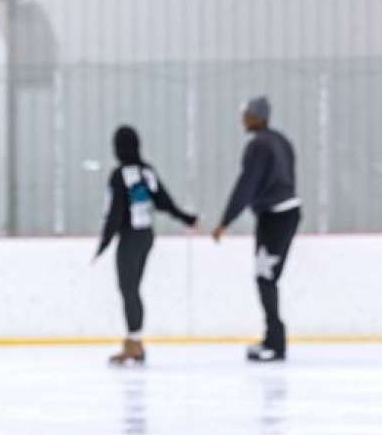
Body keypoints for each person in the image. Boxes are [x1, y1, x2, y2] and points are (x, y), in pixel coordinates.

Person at [94, 125, 197, 365]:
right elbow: (163, 201)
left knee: (128, 289)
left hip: (130, 236)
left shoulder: (119, 175)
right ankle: (134, 341)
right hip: (146, 235)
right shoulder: (146, 171)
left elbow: (115, 212)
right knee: (133, 289)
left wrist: (105, 241)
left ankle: (134, 344)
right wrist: (186, 218)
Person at [211, 96, 299, 362]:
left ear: (257, 117)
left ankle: (275, 342)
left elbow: (246, 185)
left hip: (275, 217)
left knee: (265, 277)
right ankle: (273, 338)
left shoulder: (258, 146)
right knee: (268, 277)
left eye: (246, 114)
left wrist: (225, 221)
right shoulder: (280, 141)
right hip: (288, 212)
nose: (243, 119)